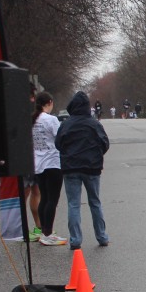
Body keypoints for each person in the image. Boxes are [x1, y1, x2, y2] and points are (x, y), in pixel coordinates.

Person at [56, 91, 110, 250]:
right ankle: (102, 236)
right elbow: (105, 143)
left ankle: (75, 240)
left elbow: (58, 144)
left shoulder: (66, 124)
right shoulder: (94, 124)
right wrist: (96, 155)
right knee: (95, 202)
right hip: (92, 167)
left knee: (73, 204)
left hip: (70, 168)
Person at [32, 92, 68, 246]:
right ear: (50, 102)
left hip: (38, 163)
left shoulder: (33, 120)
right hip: (52, 162)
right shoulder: (51, 119)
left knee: (44, 198)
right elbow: (60, 138)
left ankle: (43, 231)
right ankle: (48, 234)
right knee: (52, 200)